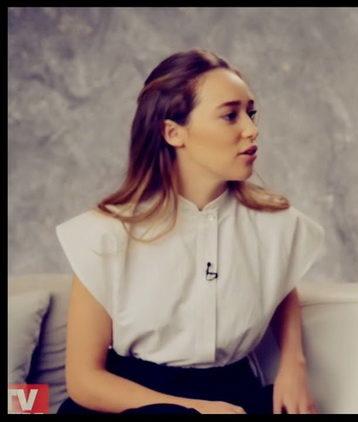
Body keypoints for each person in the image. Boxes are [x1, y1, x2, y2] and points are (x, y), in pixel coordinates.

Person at [55, 49, 324, 414]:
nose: (251, 129)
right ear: (173, 132)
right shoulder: (106, 233)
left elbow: (280, 283)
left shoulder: (276, 223)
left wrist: (294, 364)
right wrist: (196, 410)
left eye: (250, 113)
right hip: (136, 403)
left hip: (234, 395)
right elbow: (85, 381)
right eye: (230, 115)